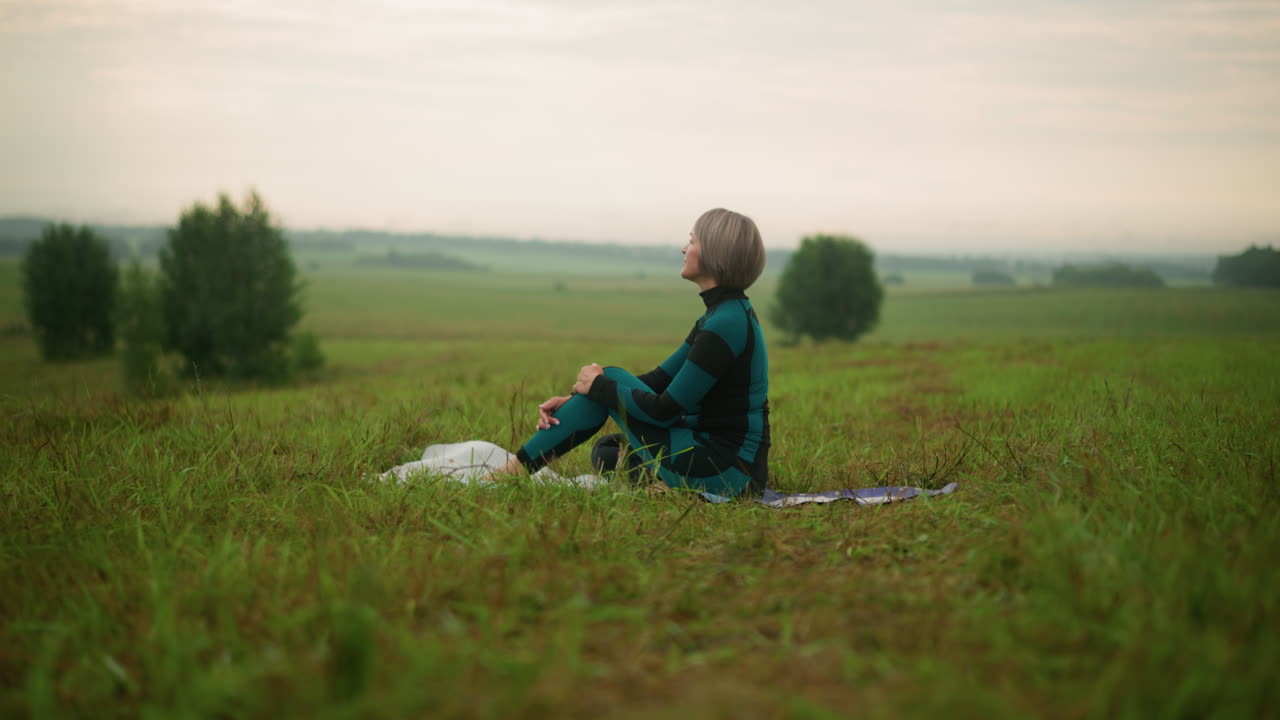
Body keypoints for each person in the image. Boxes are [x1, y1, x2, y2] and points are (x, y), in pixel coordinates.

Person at [487, 208, 770, 497]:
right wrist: (582, 395)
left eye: (692, 241)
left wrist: (600, 386)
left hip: (728, 471)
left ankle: (508, 476)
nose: (684, 248)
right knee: (609, 451)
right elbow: (658, 380)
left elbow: (664, 410)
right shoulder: (722, 316)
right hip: (715, 458)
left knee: (610, 378)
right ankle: (665, 486)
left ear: (715, 253)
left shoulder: (725, 324)